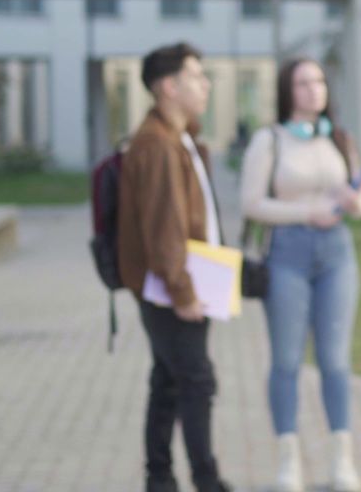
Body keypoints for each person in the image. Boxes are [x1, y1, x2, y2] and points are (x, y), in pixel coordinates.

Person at [240, 58, 361, 492]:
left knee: (335, 359)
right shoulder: (269, 140)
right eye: (302, 83)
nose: (313, 90)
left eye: (318, 81)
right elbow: (252, 203)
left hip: (337, 254)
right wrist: (306, 212)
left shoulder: (339, 137)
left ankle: (341, 462)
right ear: (287, 90)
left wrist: (355, 204)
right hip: (287, 253)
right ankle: (288, 464)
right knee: (286, 360)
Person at [117, 42, 233, 492]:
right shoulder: (158, 142)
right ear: (168, 86)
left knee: (168, 381)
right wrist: (184, 293)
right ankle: (205, 481)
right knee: (196, 381)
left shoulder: (179, 135)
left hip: (178, 283)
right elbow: (164, 228)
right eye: (196, 77)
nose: (205, 84)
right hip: (171, 289)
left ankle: (160, 478)